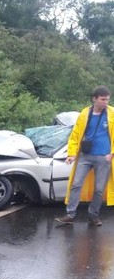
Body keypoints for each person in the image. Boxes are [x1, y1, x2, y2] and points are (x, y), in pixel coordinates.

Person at [56, 85, 114, 226]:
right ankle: (70, 214)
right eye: (102, 99)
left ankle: (93, 215)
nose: (105, 102)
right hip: (85, 156)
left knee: (99, 189)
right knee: (76, 185)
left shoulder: (112, 113)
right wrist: (71, 153)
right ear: (94, 99)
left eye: (107, 99)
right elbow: (75, 134)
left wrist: (112, 153)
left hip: (104, 157)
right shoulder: (84, 113)